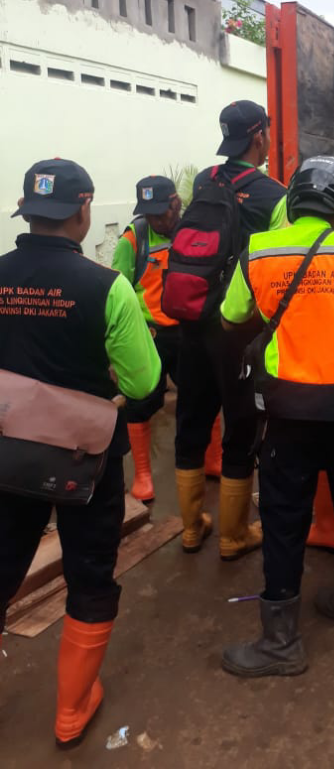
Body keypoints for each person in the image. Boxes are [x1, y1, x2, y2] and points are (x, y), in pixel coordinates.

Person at [219, 156, 334, 677]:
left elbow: (232, 317)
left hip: (287, 411)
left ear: (295, 198)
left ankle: (280, 643)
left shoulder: (259, 249)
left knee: (283, 520)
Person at [0, 159, 160, 747]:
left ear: (27, 213)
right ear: (85, 208)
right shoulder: (106, 287)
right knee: (89, 573)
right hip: (82, 463)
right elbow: (144, 385)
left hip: (6, 455)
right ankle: (71, 710)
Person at [174, 100, 286, 560]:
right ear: (259, 136)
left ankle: (190, 527)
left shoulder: (205, 180)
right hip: (236, 329)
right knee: (240, 426)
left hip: (192, 318)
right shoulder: (274, 195)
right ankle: (234, 535)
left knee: (191, 420)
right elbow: (278, 263)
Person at [112, 175, 222, 502]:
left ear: (176, 202)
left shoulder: (193, 230)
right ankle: (143, 475)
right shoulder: (133, 240)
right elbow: (120, 289)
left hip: (189, 329)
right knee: (140, 401)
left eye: (162, 211)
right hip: (150, 334)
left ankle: (212, 458)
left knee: (203, 395)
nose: (157, 219)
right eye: (150, 213)